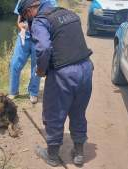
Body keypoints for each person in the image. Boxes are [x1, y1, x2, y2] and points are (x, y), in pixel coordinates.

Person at [18, 0, 93, 167]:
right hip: (86, 69)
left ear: (30, 10)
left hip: (63, 74)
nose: (26, 19)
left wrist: (41, 70)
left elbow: (44, 48)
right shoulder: (69, 13)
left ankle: (52, 156)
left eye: (25, 16)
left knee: (54, 114)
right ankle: (79, 153)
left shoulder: (40, 21)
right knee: (78, 112)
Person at [9, 0, 57, 104]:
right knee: (14, 64)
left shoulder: (50, 2)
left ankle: (33, 92)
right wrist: (22, 26)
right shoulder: (22, 1)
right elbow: (19, 21)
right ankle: (13, 91)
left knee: (36, 66)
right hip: (24, 38)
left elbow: (52, 19)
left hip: (40, 39)